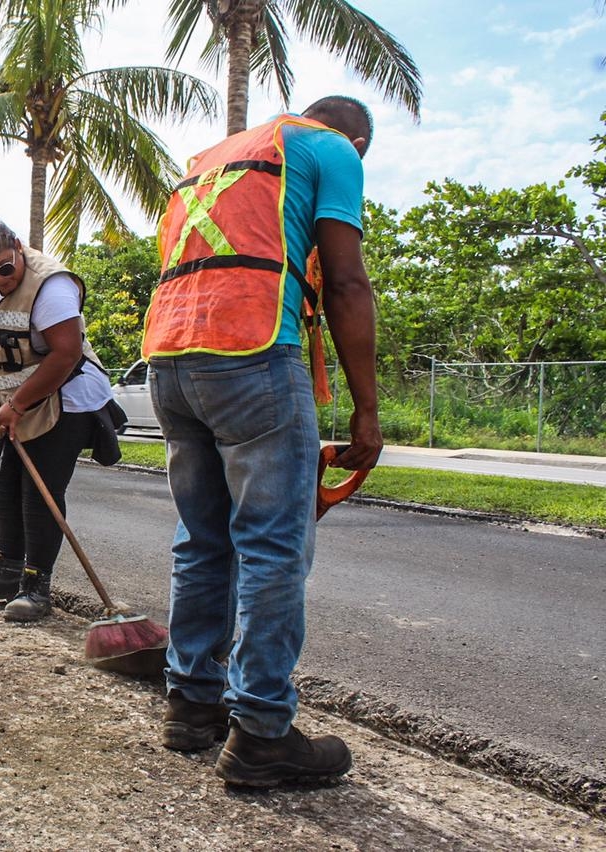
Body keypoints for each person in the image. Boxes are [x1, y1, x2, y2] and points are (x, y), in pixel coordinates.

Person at [143, 96, 384, 786]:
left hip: (171, 358)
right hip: (252, 351)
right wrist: (367, 411)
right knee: (273, 547)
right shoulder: (332, 149)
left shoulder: (210, 161)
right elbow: (344, 279)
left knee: (203, 539)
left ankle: (190, 706)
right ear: (358, 140)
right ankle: (262, 733)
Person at [0, 211, 115, 622]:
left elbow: (66, 353)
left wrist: (17, 404)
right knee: (3, 475)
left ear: (18, 247)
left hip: (65, 399)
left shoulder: (51, 286)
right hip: (21, 402)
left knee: (39, 492)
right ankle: (6, 573)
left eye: (5, 269)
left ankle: (36, 587)